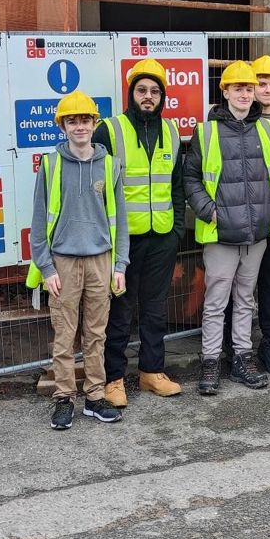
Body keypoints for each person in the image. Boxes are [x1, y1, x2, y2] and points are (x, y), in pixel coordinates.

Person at [186, 61, 270, 396]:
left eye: (249, 89)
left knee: (246, 298)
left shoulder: (267, 130)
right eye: (239, 88)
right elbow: (190, 179)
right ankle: (211, 362)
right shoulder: (206, 132)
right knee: (217, 301)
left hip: (256, 233)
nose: (245, 94)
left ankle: (242, 358)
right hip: (220, 234)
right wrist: (209, 212)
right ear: (226, 92)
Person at [27, 90, 129, 430]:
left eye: (85, 120)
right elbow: (39, 219)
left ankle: (95, 397)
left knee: (96, 334)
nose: (80, 126)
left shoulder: (110, 165)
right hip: (63, 262)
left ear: (94, 123)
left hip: (101, 259)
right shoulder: (52, 164)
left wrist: (120, 265)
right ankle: (64, 398)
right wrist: (46, 266)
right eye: (72, 120)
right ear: (63, 125)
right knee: (64, 334)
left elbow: (121, 220)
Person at [94, 58, 184, 406]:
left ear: (163, 96)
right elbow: (97, 187)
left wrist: (176, 228)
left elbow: (176, 184)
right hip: (123, 241)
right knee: (120, 309)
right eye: (142, 90)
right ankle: (114, 378)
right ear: (131, 93)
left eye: (155, 91)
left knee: (156, 308)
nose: (148, 97)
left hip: (162, 235)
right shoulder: (110, 130)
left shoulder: (172, 132)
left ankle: (151, 372)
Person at [221, 55, 270, 375]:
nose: (266, 89)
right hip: (240, 217)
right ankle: (233, 346)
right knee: (235, 283)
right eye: (260, 83)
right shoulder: (234, 120)